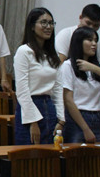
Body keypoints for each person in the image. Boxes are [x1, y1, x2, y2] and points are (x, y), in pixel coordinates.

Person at [14, 8, 64, 145]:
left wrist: (61, 120)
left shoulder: (52, 55)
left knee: (50, 154)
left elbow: (58, 88)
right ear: (32, 26)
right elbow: (22, 90)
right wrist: (33, 121)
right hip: (30, 108)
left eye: (51, 23)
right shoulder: (24, 51)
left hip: (49, 107)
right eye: (43, 23)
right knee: (29, 153)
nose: (48, 27)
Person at [60, 27, 100, 143]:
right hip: (77, 118)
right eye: (90, 40)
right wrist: (85, 129)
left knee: (95, 154)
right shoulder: (68, 66)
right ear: (79, 42)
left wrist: (93, 68)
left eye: (95, 40)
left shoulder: (98, 67)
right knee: (76, 153)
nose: (94, 44)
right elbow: (68, 100)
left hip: (97, 117)